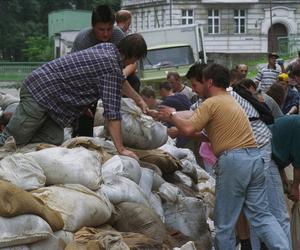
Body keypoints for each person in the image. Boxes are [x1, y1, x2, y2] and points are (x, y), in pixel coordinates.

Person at [158, 63, 290, 250]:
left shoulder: (211, 103)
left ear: (210, 82)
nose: (199, 87)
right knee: (262, 216)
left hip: (234, 161)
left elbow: (188, 128)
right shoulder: (232, 101)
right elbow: (209, 134)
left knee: (225, 222)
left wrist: (172, 116)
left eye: (201, 82)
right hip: (255, 158)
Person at [0, 34, 148, 160]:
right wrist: (121, 149)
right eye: (136, 59)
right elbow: (113, 115)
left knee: (52, 140)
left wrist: (139, 100)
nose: (134, 63)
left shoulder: (108, 48)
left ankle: (18, 159)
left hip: (54, 101)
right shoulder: (111, 67)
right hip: (39, 92)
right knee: (13, 139)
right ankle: (11, 137)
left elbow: (117, 80)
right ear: (133, 56)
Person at [71, 5, 144, 137]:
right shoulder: (83, 40)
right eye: (101, 30)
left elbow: (132, 64)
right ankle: (83, 136)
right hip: (88, 81)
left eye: (109, 29)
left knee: (134, 80)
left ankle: (128, 123)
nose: (105, 34)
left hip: (115, 76)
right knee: (84, 110)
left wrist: (122, 75)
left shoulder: (119, 36)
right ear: (93, 27)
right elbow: (75, 74)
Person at [271, 115, 300, 203]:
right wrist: (295, 188)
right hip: (264, 154)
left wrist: (283, 177)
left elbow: (281, 146)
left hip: (268, 152)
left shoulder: (295, 121)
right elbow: (298, 164)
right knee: (277, 205)